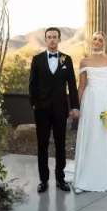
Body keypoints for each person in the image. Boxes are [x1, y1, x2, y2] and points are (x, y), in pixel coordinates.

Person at [65, 31, 107, 193]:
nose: (96, 41)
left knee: (105, 134)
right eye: (94, 39)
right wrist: (75, 106)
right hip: (90, 101)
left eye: (100, 39)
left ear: (104, 43)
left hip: (106, 101)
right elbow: (81, 86)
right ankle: (84, 178)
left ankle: (106, 177)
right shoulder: (84, 61)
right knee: (90, 134)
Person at [29, 27, 80, 193]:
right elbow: (32, 85)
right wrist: (35, 104)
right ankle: (43, 180)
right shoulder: (37, 59)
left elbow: (72, 85)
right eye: (49, 37)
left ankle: (60, 179)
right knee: (42, 144)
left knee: (60, 145)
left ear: (59, 40)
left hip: (60, 109)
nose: (52, 40)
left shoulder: (67, 59)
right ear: (45, 40)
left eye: (54, 37)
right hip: (42, 110)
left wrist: (74, 106)